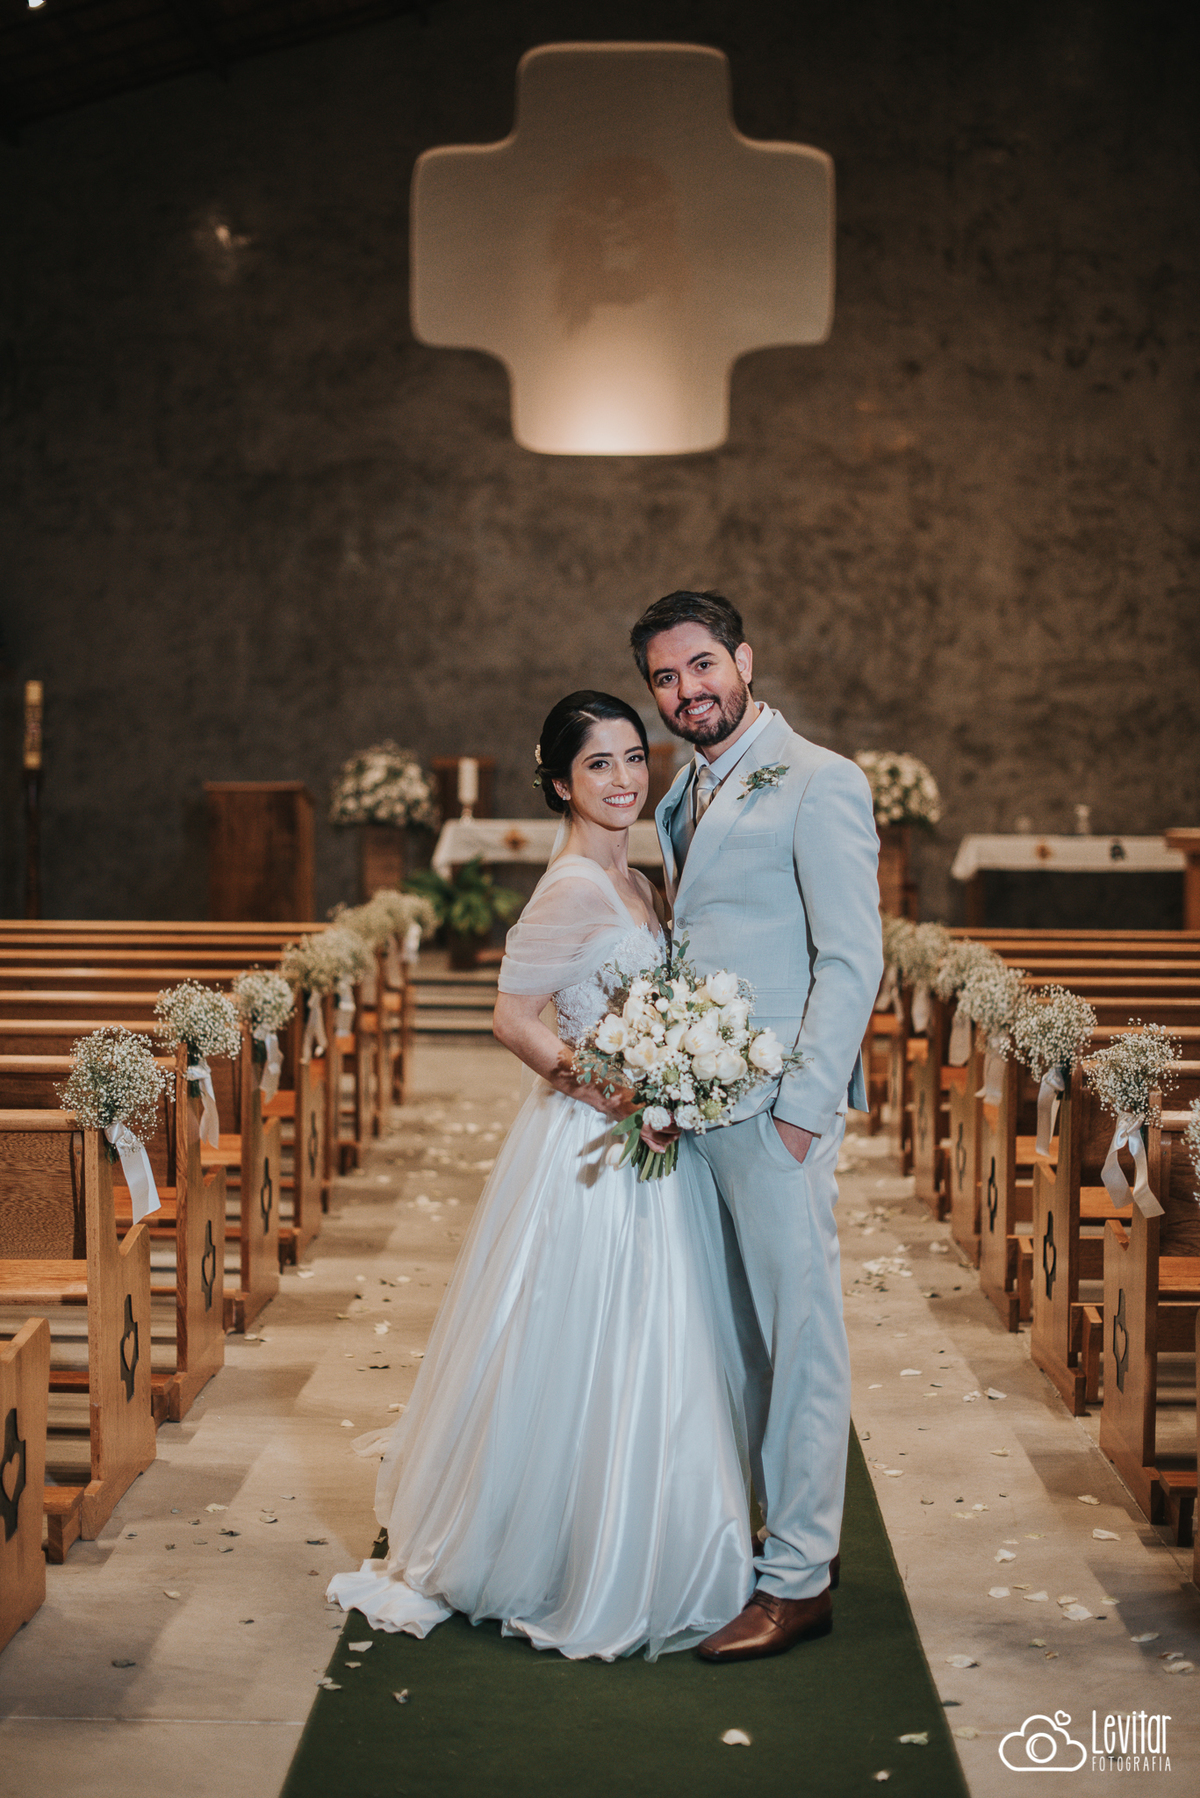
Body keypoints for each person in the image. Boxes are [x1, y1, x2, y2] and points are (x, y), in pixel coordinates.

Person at [326, 691, 754, 1661]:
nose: (624, 779)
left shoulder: (644, 881)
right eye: (599, 764)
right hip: (591, 1147)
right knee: (585, 1336)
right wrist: (601, 1086)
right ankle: (562, 1548)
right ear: (560, 780)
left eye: (633, 758)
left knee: (661, 1339)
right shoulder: (568, 886)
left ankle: (659, 1531)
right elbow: (512, 1018)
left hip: (655, 1135)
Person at [630, 590, 883, 1662]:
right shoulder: (683, 789)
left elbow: (851, 958)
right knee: (737, 1343)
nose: (686, 690)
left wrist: (802, 1111)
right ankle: (749, 1539)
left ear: (743, 656)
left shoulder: (822, 781)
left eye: (700, 665)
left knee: (803, 1341)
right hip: (701, 1106)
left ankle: (800, 1579)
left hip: (775, 1106)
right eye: (665, 679)